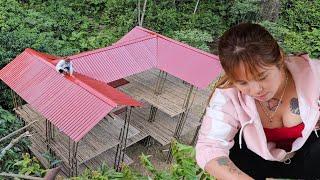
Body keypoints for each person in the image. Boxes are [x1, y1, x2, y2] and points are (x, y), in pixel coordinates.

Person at [196, 22, 320, 179]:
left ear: (280, 60)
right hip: (252, 163)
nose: (256, 90)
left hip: (304, 160)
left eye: (262, 77)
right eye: (242, 82)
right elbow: (209, 146)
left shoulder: (314, 77)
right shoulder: (228, 94)